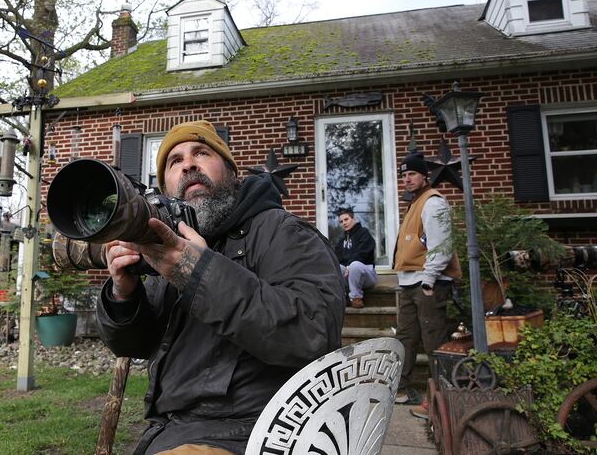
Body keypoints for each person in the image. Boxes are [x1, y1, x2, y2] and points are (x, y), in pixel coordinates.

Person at [96, 120, 345, 455]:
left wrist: (197, 270)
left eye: (201, 152)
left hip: (260, 432)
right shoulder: (166, 249)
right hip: (172, 432)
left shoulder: (282, 232)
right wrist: (124, 294)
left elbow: (314, 333)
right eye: (174, 161)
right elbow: (135, 344)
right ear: (165, 187)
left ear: (231, 170)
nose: (188, 164)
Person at [392, 151, 461, 420]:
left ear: (424, 176)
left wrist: (430, 280)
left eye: (412, 174)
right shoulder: (415, 203)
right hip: (410, 282)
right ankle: (403, 389)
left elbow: (441, 247)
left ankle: (439, 400)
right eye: (404, 175)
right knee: (406, 338)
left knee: (434, 340)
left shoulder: (433, 203)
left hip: (428, 283)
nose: (407, 179)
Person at [334, 208, 377, 308]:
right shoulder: (341, 241)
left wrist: (349, 265)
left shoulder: (364, 233)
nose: (344, 223)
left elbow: (363, 253)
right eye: (341, 221)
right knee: (337, 267)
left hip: (367, 275)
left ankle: (355, 298)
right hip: (349, 276)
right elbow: (337, 257)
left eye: (346, 219)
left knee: (355, 265)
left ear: (353, 219)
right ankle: (343, 297)